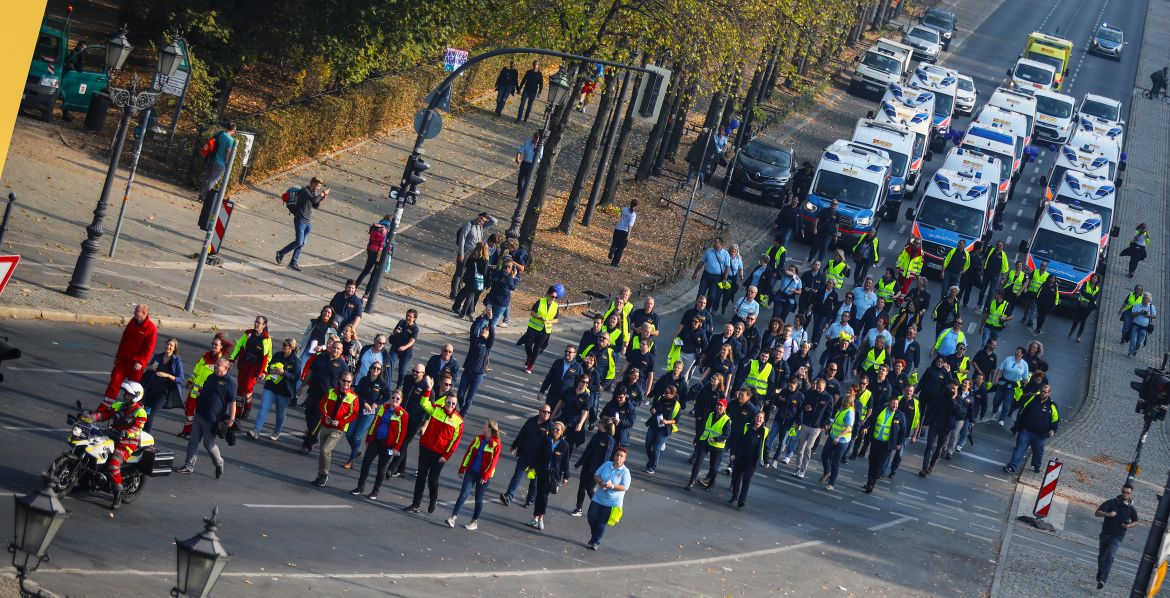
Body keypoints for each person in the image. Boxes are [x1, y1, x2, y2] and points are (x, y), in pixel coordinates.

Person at [86, 381, 148, 509]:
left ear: (136, 396)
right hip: (112, 436)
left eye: (129, 394)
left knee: (113, 465)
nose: (126, 396)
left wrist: (127, 433)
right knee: (91, 449)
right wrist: (91, 417)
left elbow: (137, 428)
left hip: (127, 443)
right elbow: (104, 414)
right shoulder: (119, 405)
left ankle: (117, 495)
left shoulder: (141, 412)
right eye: (126, 393)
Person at [403, 388, 465, 514]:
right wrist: (429, 390)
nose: (450, 406)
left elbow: (455, 441)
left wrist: (446, 456)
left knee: (433, 479)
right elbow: (424, 403)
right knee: (421, 476)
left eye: (453, 404)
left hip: (440, 454)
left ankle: (433, 500)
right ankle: (416, 504)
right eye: (448, 402)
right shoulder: (436, 409)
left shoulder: (458, 421)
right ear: (445, 401)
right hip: (426, 448)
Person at [175, 358, 235, 479]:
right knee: (193, 440)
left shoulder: (230, 382)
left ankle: (219, 463)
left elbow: (232, 402)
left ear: (226, 368)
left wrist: (232, 419)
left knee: (208, 444)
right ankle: (188, 466)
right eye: (216, 364)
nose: (215, 366)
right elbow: (203, 392)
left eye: (219, 365)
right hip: (200, 414)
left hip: (212, 419)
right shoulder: (211, 377)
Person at [350, 390, 407, 501]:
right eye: (393, 397)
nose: (395, 400)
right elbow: (375, 422)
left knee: (381, 468)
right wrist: (369, 437)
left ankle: (375, 491)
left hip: (388, 445)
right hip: (376, 441)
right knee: (366, 462)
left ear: (401, 401)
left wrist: (396, 447)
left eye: (397, 399)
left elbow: (402, 433)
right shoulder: (382, 408)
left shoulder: (403, 414)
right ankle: (360, 487)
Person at [447, 420, 503, 530]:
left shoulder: (496, 444)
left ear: (490, 429)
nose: (483, 426)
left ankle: (474, 522)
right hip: (471, 472)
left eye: (485, 425)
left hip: (483, 476)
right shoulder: (478, 439)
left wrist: (485, 476)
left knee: (478, 499)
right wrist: (462, 468)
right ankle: (453, 518)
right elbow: (469, 453)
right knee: (463, 494)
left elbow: (493, 462)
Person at [102, 304, 158, 405]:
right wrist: (118, 356)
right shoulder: (132, 322)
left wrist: (141, 362)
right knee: (114, 382)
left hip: (136, 365)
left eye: (136, 311)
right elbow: (124, 339)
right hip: (123, 360)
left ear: (144, 313)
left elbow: (149, 349)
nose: (134, 312)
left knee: (132, 389)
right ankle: (106, 405)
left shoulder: (151, 329)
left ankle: (130, 408)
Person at [309, 372, 357, 487]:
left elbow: (353, 414)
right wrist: (326, 416)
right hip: (326, 425)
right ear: (340, 380)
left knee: (326, 449)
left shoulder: (353, 397)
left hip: (338, 429)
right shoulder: (331, 392)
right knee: (322, 451)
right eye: (344, 380)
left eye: (348, 381)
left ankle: (324, 474)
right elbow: (322, 405)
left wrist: (340, 421)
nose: (346, 383)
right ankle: (320, 475)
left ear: (351, 383)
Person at [299, 341, 347, 453]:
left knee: (316, 420)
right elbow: (311, 372)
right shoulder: (321, 357)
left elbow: (344, 384)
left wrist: (341, 398)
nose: (335, 350)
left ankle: (308, 444)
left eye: (338, 349)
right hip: (313, 392)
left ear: (341, 351)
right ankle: (313, 437)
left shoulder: (342, 366)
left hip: (327, 398)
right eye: (334, 347)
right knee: (308, 415)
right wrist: (302, 385)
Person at [501, 405, 553, 507]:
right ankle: (508, 496)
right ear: (539, 411)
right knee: (517, 476)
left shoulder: (549, 426)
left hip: (536, 460)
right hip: (525, 456)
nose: (546, 414)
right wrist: (515, 445)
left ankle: (530, 499)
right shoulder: (531, 421)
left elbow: (551, 443)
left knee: (532, 479)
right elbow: (522, 433)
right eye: (544, 412)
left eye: (548, 412)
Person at [180, 334, 231, 438]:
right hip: (195, 389)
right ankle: (187, 430)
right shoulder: (206, 355)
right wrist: (190, 381)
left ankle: (194, 433)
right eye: (212, 343)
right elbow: (197, 369)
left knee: (199, 414)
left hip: (205, 392)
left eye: (216, 344)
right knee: (189, 410)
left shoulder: (220, 362)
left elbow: (220, 379)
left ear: (221, 347)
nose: (213, 346)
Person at [274, 177, 328, 271]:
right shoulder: (305, 191)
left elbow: (315, 205)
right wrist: (322, 193)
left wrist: (322, 199)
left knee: (302, 243)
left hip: (308, 222)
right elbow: (314, 200)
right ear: (312, 184)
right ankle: (281, 253)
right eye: (317, 186)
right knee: (299, 241)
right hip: (300, 220)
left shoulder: (312, 193)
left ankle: (293, 263)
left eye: (319, 187)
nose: (318, 188)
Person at [343, 363, 392, 468]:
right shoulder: (364, 380)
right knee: (349, 434)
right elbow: (357, 394)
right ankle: (355, 451)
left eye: (378, 369)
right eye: (374, 368)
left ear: (380, 371)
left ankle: (351, 461)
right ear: (370, 369)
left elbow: (387, 396)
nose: (375, 370)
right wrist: (364, 402)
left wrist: (377, 403)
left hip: (369, 413)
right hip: (358, 409)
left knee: (357, 436)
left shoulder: (382, 384)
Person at [249, 339, 299, 441]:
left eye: (285, 345)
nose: (283, 346)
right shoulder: (277, 355)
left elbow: (295, 377)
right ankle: (256, 431)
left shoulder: (296, 361)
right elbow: (268, 366)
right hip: (271, 386)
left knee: (280, 412)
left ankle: (277, 432)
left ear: (292, 348)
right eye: (283, 344)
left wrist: (283, 373)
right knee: (263, 408)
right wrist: (270, 370)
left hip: (284, 391)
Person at [1003, 384, 1059, 474]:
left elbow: (1056, 420)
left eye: (1045, 392)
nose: (1042, 393)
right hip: (1026, 431)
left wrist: (1053, 430)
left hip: (1040, 435)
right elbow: (1023, 412)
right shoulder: (1033, 399)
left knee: (1038, 452)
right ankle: (1011, 467)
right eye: (1042, 391)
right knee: (1019, 449)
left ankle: (1037, 466)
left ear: (1049, 393)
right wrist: (1018, 427)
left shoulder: (1052, 405)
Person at [586, 446, 631, 550]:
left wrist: (612, 486)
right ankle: (595, 535)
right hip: (599, 497)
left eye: (621, 456)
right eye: (617, 455)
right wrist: (601, 483)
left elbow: (625, 487)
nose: (618, 457)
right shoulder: (607, 465)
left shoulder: (625, 472)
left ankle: (595, 542)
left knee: (602, 522)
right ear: (614, 456)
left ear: (624, 459)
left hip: (612, 501)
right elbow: (596, 475)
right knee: (591, 516)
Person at [228, 317, 272, 421]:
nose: (256, 324)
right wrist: (232, 359)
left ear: (264, 326)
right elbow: (239, 346)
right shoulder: (248, 334)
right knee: (240, 388)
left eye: (259, 323)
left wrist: (264, 371)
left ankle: (248, 406)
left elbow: (268, 357)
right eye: (256, 322)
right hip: (244, 364)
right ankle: (238, 411)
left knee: (248, 388)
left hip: (255, 368)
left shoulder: (267, 339)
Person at [1096, 484, 1139, 589]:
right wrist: (1107, 514)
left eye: (1127, 492)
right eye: (1124, 491)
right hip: (1105, 534)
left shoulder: (1131, 508)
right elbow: (1097, 513)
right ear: (1121, 491)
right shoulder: (1111, 502)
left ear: (1131, 494)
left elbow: (1136, 521)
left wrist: (1128, 525)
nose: (1125, 494)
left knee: (1110, 556)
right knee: (1102, 557)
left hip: (1118, 536)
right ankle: (1100, 574)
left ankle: (1102, 580)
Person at [530, 421, 570, 531]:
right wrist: (532, 466)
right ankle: (535, 518)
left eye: (558, 429)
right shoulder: (546, 440)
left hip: (553, 475)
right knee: (538, 494)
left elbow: (565, 462)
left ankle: (541, 518)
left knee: (544, 495)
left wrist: (566, 476)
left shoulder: (564, 445)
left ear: (562, 432)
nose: (555, 431)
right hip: (542, 471)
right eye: (554, 429)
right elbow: (538, 454)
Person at [572, 418, 617, 516]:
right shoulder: (596, 436)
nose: (598, 424)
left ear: (604, 425)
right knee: (581, 487)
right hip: (587, 465)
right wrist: (579, 462)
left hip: (597, 469)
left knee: (589, 488)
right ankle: (578, 508)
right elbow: (588, 451)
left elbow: (606, 457)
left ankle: (600, 507)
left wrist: (601, 471)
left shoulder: (609, 439)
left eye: (600, 423)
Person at [863, 395, 907, 493]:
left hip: (887, 444)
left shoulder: (900, 415)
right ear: (889, 403)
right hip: (875, 441)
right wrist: (866, 427)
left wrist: (899, 443)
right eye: (893, 403)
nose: (895, 406)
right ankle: (870, 480)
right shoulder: (880, 409)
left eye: (896, 404)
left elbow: (903, 431)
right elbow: (870, 419)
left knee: (879, 464)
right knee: (872, 461)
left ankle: (871, 484)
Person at [140, 339, 184, 434]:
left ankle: (147, 437)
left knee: (150, 415)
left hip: (162, 394)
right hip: (150, 390)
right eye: (167, 344)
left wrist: (167, 375)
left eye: (171, 346)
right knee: (145, 414)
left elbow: (180, 379)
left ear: (174, 348)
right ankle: (140, 436)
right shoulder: (158, 357)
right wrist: (149, 368)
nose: (168, 347)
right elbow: (147, 371)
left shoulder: (176, 361)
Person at [451, 212, 498, 300]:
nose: (481, 221)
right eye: (481, 218)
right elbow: (462, 238)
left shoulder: (481, 226)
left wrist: (487, 215)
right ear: (478, 216)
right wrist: (461, 253)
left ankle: (459, 289)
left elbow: (494, 221)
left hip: (475, 254)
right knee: (460, 272)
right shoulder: (469, 224)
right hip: (465, 252)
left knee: (468, 273)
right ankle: (453, 292)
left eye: (484, 220)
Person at [687, 399, 731, 490]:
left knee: (714, 468)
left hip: (717, 446)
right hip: (705, 442)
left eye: (721, 405)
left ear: (725, 408)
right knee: (698, 462)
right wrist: (696, 439)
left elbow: (726, 434)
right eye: (718, 405)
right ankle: (691, 482)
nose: (719, 407)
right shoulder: (710, 415)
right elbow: (702, 427)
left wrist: (716, 439)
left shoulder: (727, 420)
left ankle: (711, 483)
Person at [729, 411, 769, 507]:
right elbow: (737, 440)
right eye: (758, 417)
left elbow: (767, 446)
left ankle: (742, 500)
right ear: (754, 418)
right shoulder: (747, 426)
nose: (759, 419)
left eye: (761, 418)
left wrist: (766, 460)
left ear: (763, 420)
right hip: (741, 456)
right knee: (736, 477)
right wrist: (733, 453)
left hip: (753, 460)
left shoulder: (765, 431)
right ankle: (735, 496)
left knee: (746, 479)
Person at [458, 316, 495, 414]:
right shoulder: (475, 339)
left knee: (469, 398)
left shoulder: (488, 344)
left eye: (486, 330)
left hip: (478, 375)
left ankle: (462, 415)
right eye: (483, 329)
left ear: (488, 334)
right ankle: (462, 408)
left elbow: (493, 335)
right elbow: (473, 328)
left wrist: (491, 320)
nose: (484, 331)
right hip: (467, 372)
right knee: (460, 394)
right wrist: (481, 316)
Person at [518, 286, 560, 373]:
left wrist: (549, 321)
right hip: (534, 327)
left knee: (537, 349)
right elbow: (532, 312)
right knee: (528, 345)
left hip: (545, 330)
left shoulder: (555, 306)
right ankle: (529, 357)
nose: (554, 299)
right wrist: (539, 317)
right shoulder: (540, 301)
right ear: (547, 295)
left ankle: (530, 366)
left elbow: (556, 319)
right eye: (552, 296)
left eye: (556, 297)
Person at [819, 392, 855, 491]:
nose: (843, 403)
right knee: (824, 455)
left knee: (835, 462)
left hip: (842, 440)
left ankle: (831, 484)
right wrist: (829, 425)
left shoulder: (850, 413)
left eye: (845, 403)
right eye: (843, 402)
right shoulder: (842, 409)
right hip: (833, 436)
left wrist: (839, 437)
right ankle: (827, 472)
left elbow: (849, 428)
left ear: (850, 403)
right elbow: (836, 420)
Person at [644, 384, 681, 474]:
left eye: (667, 393)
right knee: (648, 446)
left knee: (656, 448)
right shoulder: (661, 398)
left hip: (664, 430)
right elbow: (653, 407)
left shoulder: (676, 405)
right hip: (653, 425)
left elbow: (676, 420)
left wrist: (667, 422)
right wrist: (652, 410)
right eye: (664, 392)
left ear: (673, 394)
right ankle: (651, 461)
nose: (664, 394)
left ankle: (652, 466)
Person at [453, 242, 490, 319]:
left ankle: (468, 313)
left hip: (469, 278)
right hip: (476, 280)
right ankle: (465, 313)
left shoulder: (472, 256)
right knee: (470, 296)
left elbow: (466, 265)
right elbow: (484, 272)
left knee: (470, 295)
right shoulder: (484, 260)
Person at [201, 122, 237, 196]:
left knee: (206, 177)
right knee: (212, 180)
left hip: (212, 159)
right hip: (221, 163)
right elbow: (228, 152)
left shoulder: (220, 133)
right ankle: (205, 196)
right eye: (235, 130)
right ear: (233, 129)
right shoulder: (230, 140)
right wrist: (227, 162)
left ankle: (201, 194)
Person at [385, 310, 419, 388]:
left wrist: (404, 347)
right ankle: (386, 385)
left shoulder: (415, 329)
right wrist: (395, 331)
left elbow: (412, 341)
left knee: (402, 371)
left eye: (410, 316)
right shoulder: (401, 322)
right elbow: (394, 332)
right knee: (389, 366)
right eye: (407, 315)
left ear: (414, 318)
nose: (408, 317)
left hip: (406, 352)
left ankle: (399, 388)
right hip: (395, 348)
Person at [693, 238, 731, 306]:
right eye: (713, 242)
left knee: (712, 295)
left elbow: (727, 267)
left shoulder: (725, 254)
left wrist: (725, 278)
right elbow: (701, 262)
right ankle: (696, 309)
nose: (713, 244)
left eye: (716, 242)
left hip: (717, 278)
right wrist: (695, 272)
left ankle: (707, 310)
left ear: (721, 244)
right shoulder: (708, 251)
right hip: (706, 275)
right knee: (701, 293)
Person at [354, 217, 389, 290]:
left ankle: (354, 288)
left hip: (371, 250)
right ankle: (366, 294)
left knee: (365, 271)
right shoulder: (386, 229)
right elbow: (385, 243)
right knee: (373, 275)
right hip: (379, 252)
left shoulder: (376, 227)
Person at [1069, 273, 1101, 342]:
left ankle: (1079, 336)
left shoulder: (1097, 289)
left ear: (1097, 280)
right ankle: (1072, 330)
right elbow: (1082, 292)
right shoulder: (1086, 283)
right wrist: (1090, 296)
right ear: (1091, 278)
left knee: (1083, 321)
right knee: (1077, 318)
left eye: (1095, 278)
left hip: (1089, 306)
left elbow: (1094, 298)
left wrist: (1088, 295)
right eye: (1093, 277)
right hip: (1081, 303)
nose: (1094, 279)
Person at [1127, 293, 1158, 358]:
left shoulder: (1151, 307)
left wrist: (1148, 315)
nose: (1145, 299)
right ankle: (1130, 353)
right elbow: (1132, 315)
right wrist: (1140, 313)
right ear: (1142, 298)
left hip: (1144, 327)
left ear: (1150, 300)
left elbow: (1154, 316)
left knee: (1139, 343)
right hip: (1135, 325)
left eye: (1147, 298)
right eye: (1144, 297)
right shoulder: (1137, 305)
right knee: (1133, 340)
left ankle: (1135, 350)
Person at [609, 199, 637, 267]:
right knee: (621, 248)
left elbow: (620, 216)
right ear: (636, 206)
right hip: (624, 231)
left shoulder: (624, 209)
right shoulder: (633, 215)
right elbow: (630, 225)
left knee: (615, 243)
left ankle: (612, 249)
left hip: (617, 228)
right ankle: (615, 262)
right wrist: (628, 235)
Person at [515, 131, 542, 202]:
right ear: (534, 137)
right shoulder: (527, 142)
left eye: (539, 139)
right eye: (536, 138)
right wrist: (517, 158)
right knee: (521, 179)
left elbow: (541, 157)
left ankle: (522, 195)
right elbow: (520, 150)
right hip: (525, 163)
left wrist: (537, 151)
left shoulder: (541, 146)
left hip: (533, 165)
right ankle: (521, 193)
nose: (537, 140)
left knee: (528, 180)